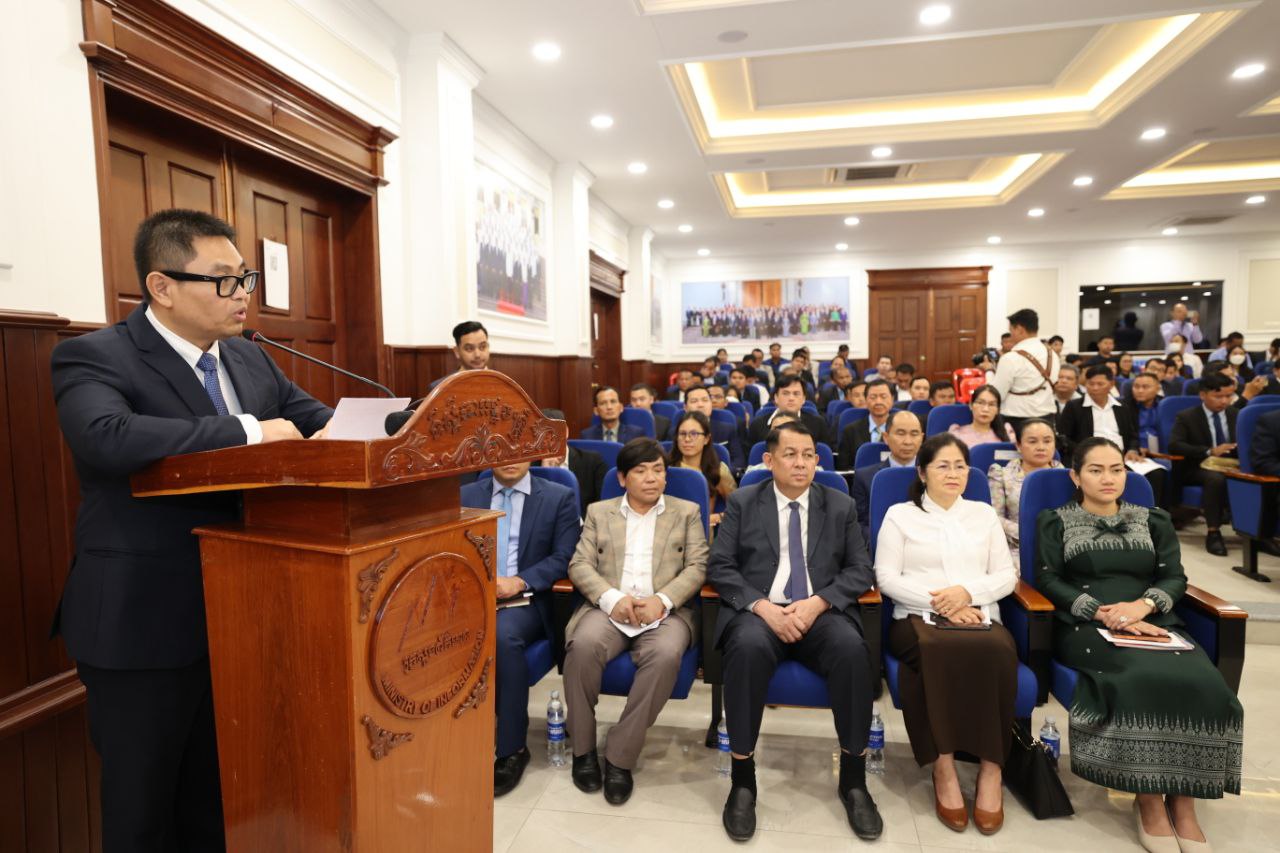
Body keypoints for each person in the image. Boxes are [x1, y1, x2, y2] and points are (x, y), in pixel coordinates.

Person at [50, 209, 334, 852]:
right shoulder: (94, 355)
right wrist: (246, 430)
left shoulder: (249, 359)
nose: (242, 294)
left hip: (244, 611)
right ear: (162, 286)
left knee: (219, 799)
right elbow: (106, 438)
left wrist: (399, 423)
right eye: (224, 280)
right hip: (141, 624)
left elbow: (317, 422)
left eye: (246, 278)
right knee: (143, 810)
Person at [1035, 437, 1242, 851]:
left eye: (1116, 469)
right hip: (1086, 623)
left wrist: (1142, 606)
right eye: (1096, 470)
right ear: (1075, 476)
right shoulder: (1055, 521)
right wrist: (1101, 612)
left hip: (1153, 619)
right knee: (1139, 676)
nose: (1108, 478)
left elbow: (1174, 578)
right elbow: (1048, 578)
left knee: (1203, 681)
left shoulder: (1153, 519)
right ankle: (1147, 798)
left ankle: (1184, 801)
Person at [708, 422, 882, 842]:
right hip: (761, 612)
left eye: (808, 455)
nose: (801, 463)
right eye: (790, 454)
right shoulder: (744, 502)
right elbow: (720, 566)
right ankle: (743, 782)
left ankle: (854, 781)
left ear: (818, 461)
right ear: (769, 460)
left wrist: (819, 602)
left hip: (819, 612)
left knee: (852, 649)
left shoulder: (838, 504)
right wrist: (763, 607)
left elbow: (861, 569)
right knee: (746, 647)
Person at [875, 433, 1019, 835]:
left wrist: (967, 595)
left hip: (979, 615)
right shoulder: (900, 516)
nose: (953, 473)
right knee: (935, 649)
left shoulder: (982, 514)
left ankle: (991, 768)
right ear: (923, 473)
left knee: (998, 650)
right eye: (943, 466)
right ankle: (943, 765)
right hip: (916, 618)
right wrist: (943, 604)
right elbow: (886, 577)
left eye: (960, 466)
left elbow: (1006, 575)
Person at [562, 439, 708, 804]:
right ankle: (583, 750)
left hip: (666, 613)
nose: (652, 478)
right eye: (641, 471)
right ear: (623, 478)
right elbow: (579, 565)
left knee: (665, 655)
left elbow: (698, 566)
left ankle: (619, 756)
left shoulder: (686, 512)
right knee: (582, 646)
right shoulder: (600, 512)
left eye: (658, 470)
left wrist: (662, 600)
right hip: (609, 609)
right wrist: (612, 599)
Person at [461, 460, 580, 795]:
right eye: (502, 452)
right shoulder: (465, 495)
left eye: (518, 452)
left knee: (502, 635)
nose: (511, 460)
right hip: (471, 595)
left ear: (531, 454)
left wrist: (519, 581)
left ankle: (512, 748)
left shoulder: (558, 496)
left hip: (527, 599)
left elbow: (564, 556)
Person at [1169, 372, 1239, 556]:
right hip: (1196, 467)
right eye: (1218, 396)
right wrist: (1209, 451)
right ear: (1203, 395)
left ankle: (1258, 534)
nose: (1224, 401)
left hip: (1231, 465)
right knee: (1215, 479)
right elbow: (1175, 445)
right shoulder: (1187, 416)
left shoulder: (1236, 414)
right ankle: (1213, 532)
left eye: (1228, 396)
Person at [988, 418, 1062, 550]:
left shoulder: (1068, 475)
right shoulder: (1001, 474)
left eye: (1047, 441)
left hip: (1061, 544)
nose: (1041, 447)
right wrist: (1030, 534)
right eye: (1032, 441)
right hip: (1018, 546)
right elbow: (994, 516)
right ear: (1018, 445)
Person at [851, 410, 923, 544]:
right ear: (886, 437)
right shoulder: (865, 477)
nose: (908, 441)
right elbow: (860, 524)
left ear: (922, 438)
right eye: (900, 433)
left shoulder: (932, 475)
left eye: (914, 434)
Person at [990, 309, 1059, 433]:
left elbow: (997, 394)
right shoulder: (1052, 354)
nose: (1011, 335)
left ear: (1019, 329)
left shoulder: (1010, 358)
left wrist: (989, 371)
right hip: (1047, 419)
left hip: (1016, 421)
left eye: (1011, 331)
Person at [670, 411, 736, 525]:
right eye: (682, 434)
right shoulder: (666, 469)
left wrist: (716, 518)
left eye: (694, 434)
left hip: (702, 531)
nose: (687, 439)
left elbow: (738, 509)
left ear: (706, 439)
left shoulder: (718, 470)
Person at [540, 408, 606, 514]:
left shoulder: (592, 462)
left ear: (566, 431)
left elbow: (601, 507)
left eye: (553, 431)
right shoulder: (531, 467)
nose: (549, 438)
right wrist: (545, 473)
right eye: (542, 434)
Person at [747, 375, 828, 445]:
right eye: (785, 393)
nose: (791, 398)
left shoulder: (818, 424)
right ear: (776, 397)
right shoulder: (757, 424)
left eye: (796, 394)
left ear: (804, 399)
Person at [838, 379, 895, 470]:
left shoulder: (900, 430)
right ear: (865, 400)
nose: (878, 402)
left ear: (892, 399)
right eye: (873, 397)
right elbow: (844, 468)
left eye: (883, 397)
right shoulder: (851, 431)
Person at [685, 385, 746, 469]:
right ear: (685, 407)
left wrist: (721, 472)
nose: (700, 405)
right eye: (694, 401)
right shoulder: (677, 432)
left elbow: (739, 461)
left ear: (711, 404)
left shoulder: (727, 430)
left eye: (705, 400)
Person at [949, 385, 1015, 448]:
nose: (985, 409)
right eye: (980, 403)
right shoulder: (957, 434)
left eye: (991, 404)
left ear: (998, 410)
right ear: (971, 405)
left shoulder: (1007, 434)